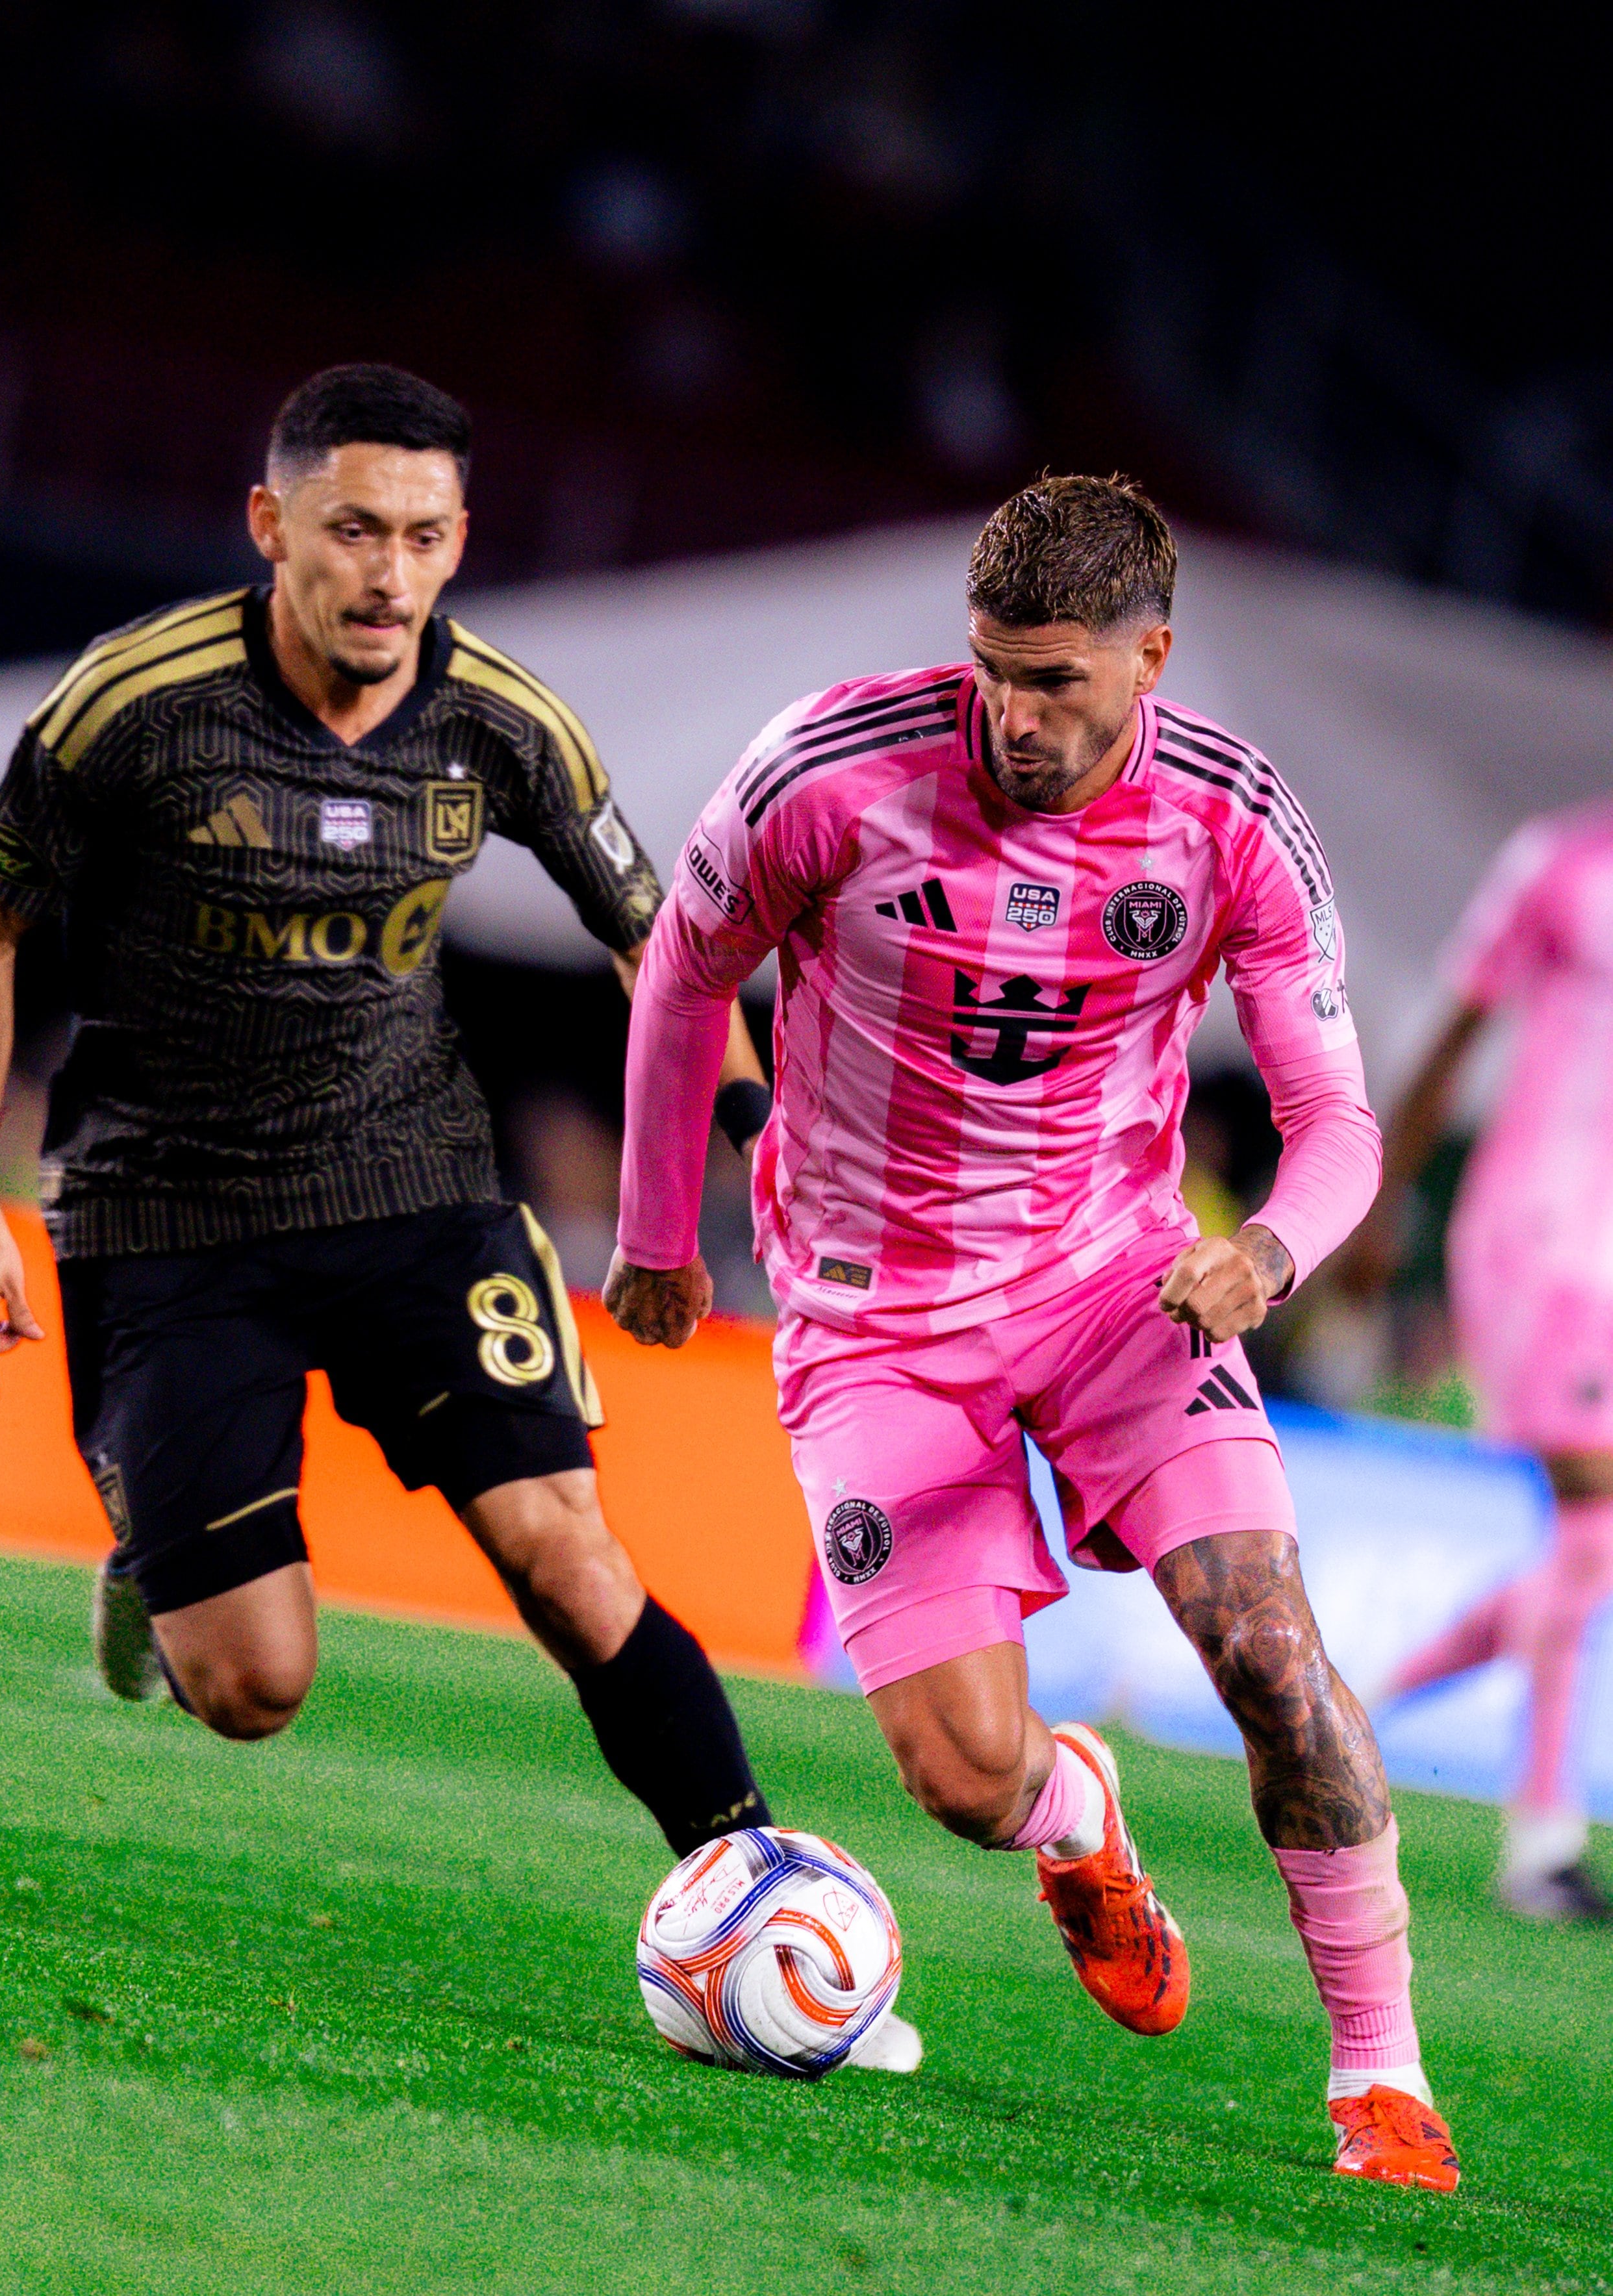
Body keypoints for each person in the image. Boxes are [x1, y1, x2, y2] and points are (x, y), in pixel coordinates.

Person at [0, 365, 900, 2045]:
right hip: (168, 1218)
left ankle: (767, 1904)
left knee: (567, 1554)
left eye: (425, 536)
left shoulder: (502, 721)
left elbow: (660, 945)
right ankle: (153, 1555)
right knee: (253, 1687)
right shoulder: (136, 702)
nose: (390, 574)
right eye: (354, 530)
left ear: (460, 541)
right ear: (271, 524)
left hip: (416, 1196)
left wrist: (755, 1137)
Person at [605, 474, 1460, 2190]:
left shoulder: (1229, 816)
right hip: (871, 1321)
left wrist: (1267, 1253)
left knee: (1267, 1648)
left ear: (1151, 657)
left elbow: (1337, 1125)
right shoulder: (824, 775)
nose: (1014, 714)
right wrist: (652, 1236)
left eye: (1056, 679)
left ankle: (1379, 2078)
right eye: (992, 669)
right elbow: (684, 972)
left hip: (1113, 1288)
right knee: (961, 1775)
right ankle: (1073, 1814)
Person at [1346, 805, 1613, 1919]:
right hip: (1542, 1235)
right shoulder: (1563, 864)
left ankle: (1345, 1716)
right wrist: (1377, 1201)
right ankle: (1543, 1842)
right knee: (1593, 1526)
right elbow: (1456, 1030)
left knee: (1593, 1547)